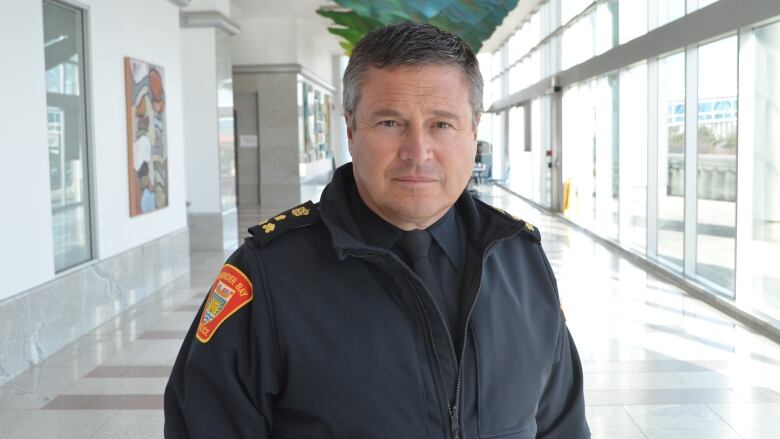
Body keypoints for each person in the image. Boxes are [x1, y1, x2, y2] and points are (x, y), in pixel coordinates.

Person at [165, 22, 589, 439]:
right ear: (351, 130)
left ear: (473, 131)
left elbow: (561, 425)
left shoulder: (520, 260)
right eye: (390, 123)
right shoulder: (267, 277)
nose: (417, 152)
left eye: (441, 124)